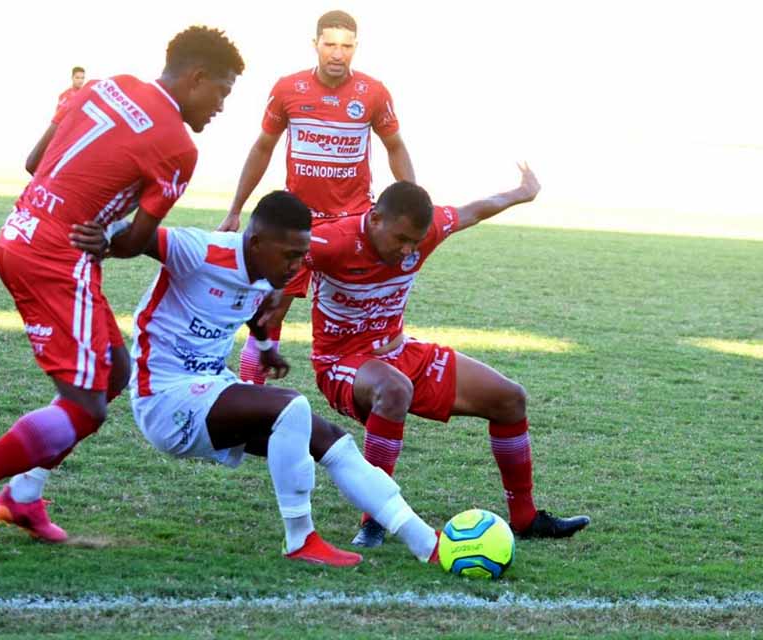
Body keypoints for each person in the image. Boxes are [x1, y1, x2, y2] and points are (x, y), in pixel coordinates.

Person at [0, 26, 245, 560]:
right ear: (197, 78)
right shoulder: (178, 146)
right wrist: (109, 235)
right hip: (56, 258)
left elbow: (34, 161)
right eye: (222, 93)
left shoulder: (104, 84)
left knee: (114, 372)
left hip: (20, 231)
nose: (220, 107)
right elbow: (137, 240)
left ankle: (23, 496)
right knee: (88, 406)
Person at [124, 191, 440, 566]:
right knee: (291, 406)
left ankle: (425, 542)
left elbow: (250, 308)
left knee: (331, 440)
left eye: (301, 255)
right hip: (164, 396)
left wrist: (265, 347)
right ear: (255, 243)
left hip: (209, 388)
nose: (296, 267)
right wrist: (89, 243)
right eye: (289, 255)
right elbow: (131, 236)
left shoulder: (268, 272)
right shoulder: (199, 249)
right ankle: (300, 539)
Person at [303, 164, 592, 547]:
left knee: (509, 398)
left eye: (416, 242)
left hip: (401, 352)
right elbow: (268, 256)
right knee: (394, 390)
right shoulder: (333, 242)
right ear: (374, 219)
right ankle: (374, 518)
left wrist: (522, 192)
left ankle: (525, 518)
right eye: (401, 239)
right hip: (341, 362)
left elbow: (473, 211)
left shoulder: (427, 232)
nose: (408, 250)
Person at [216, 10, 415, 386]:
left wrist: (416, 206)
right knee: (269, 312)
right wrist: (235, 208)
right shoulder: (288, 89)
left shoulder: (373, 93)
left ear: (356, 47)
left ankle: (380, 395)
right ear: (316, 45)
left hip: (353, 224)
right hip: (300, 227)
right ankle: (248, 397)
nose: (338, 54)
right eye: (330, 45)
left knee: (368, 318)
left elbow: (395, 147)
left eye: (346, 46)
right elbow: (263, 147)